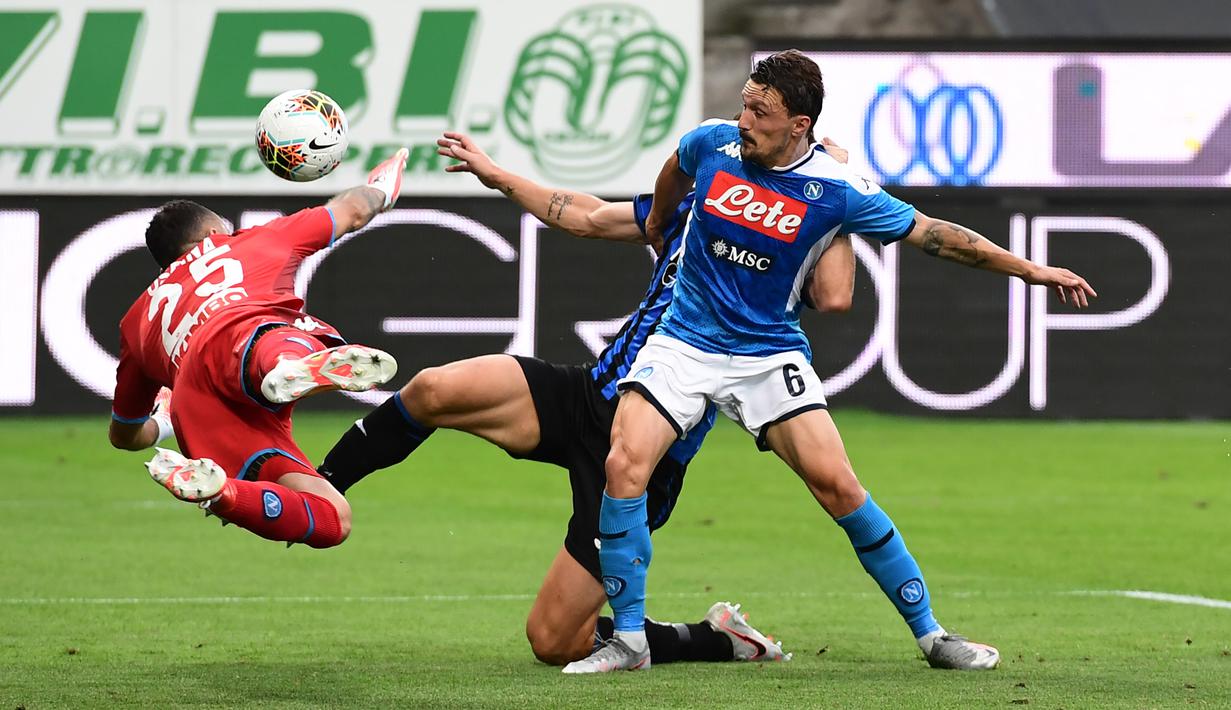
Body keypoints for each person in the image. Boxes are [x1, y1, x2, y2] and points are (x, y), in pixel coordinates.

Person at [564, 50, 1098, 674]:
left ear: (799, 124)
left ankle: (934, 637)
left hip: (767, 354)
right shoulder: (713, 144)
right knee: (623, 465)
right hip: (683, 340)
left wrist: (1031, 270)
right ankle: (629, 643)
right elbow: (675, 167)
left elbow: (937, 235)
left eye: (759, 111)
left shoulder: (837, 191)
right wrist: (658, 219)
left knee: (839, 487)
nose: (743, 120)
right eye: (744, 103)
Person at [316, 131, 858, 666]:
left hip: (645, 454)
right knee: (434, 389)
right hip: (586, 396)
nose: (745, 135)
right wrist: (495, 173)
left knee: (554, 641)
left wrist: (838, 194)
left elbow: (834, 294)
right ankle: (319, 489)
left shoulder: (793, 233)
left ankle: (715, 638)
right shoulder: (696, 206)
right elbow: (589, 215)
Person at [107, 149, 411, 549]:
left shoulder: (136, 322)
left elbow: (124, 436)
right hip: (240, 337)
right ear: (212, 233)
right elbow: (352, 210)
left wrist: (163, 422)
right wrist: (380, 189)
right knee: (281, 327)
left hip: (200, 408)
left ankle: (222, 493)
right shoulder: (250, 241)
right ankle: (288, 364)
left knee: (332, 518)